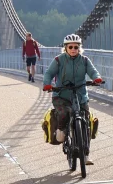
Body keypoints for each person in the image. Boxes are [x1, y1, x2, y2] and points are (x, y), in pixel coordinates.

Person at [42, 33, 103, 165]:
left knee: (87, 121)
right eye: (70, 47)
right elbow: (49, 73)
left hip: (80, 95)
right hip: (61, 95)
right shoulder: (59, 60)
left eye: (76, 47)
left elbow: (93, 71)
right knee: (64, 113)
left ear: (79, 48)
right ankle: (61, 130)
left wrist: (96, 78)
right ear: (65, 48)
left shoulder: (84, 60)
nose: (73, 49)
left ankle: (86, 155)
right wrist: (47, 84)